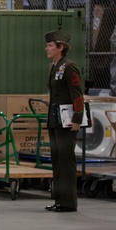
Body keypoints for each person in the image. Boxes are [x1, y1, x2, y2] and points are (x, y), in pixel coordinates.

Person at [45, 29, 83, 213]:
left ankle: (68, 202)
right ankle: (59, 200)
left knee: (66, 161)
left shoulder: (69, 67)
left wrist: (78, 119)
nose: (47, 48)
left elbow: (77, 95)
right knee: (57, 161)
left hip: (67, 121)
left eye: (50, 45)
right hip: (55, 120)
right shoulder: (54, 66)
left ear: (61, 47)